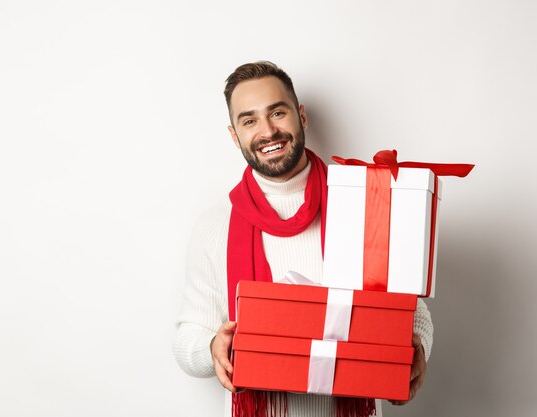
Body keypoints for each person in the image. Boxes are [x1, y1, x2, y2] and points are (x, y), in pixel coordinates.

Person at [173, 61, 433, 417]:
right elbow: (188, 336)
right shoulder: (215, 226)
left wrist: (416, 351)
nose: (267, 131)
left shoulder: (363, 205)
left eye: (277, 113)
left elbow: (412, 312)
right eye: (249, 121)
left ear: (302, 115)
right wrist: (211, 347)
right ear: (235, 136)